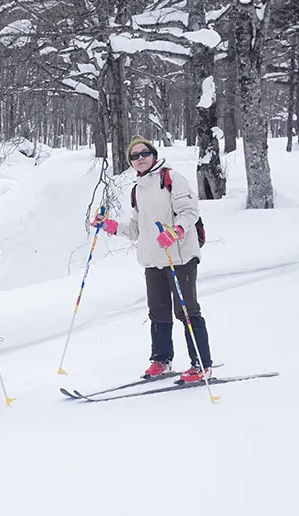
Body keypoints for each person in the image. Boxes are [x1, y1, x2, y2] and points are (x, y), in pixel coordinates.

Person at [91, 135, 214, 383]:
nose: (140, 159)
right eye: (134, 156)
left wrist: (176, 231)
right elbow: (137, 230)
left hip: (179, 257)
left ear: (153, 155)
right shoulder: (138, 190)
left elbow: (189, 212)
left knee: (187, 311)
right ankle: (161, 360)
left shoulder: (171, 178)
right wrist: (110, 225)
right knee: (158, 312)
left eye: (144, 153)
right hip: (153, 260)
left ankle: (201, 364)